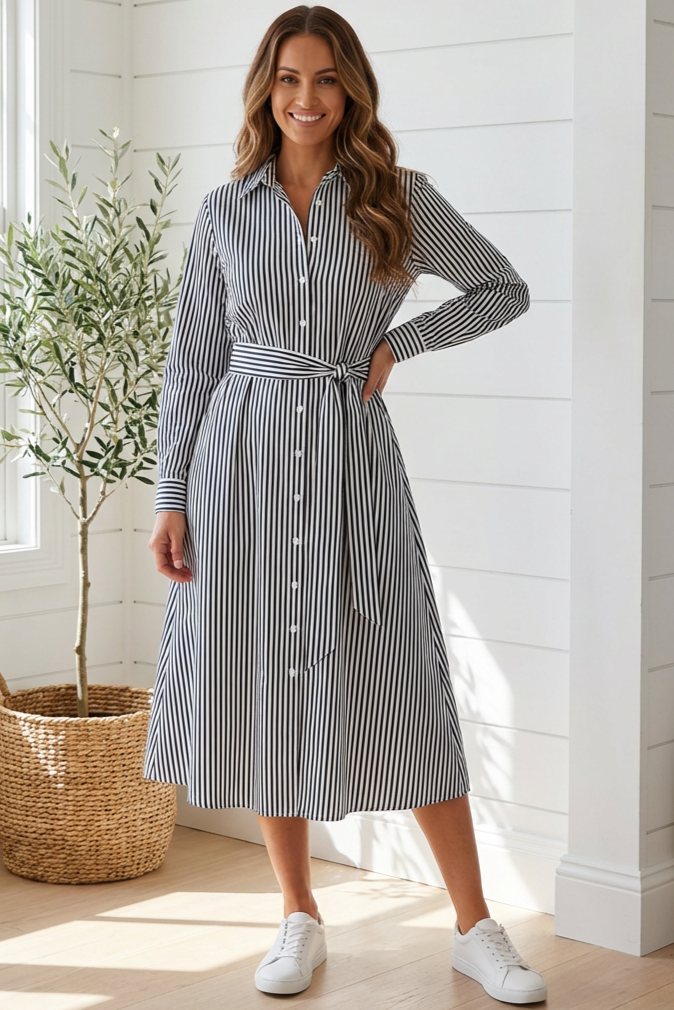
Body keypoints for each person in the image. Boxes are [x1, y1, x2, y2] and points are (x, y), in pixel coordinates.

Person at [145, 5, 547, 1004]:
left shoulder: (396, 199)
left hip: (349, 463)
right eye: (289, 77)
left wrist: (399, 343)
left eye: (325, 78)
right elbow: (192, 363)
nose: (307, 97)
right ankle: (297, 913)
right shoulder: (225, 211)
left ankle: (473, 926)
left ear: (351, 88)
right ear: (265, 89)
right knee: (263, 681)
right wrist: (170, 496)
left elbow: (500, 288)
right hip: (235, 469)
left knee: (401, 680)